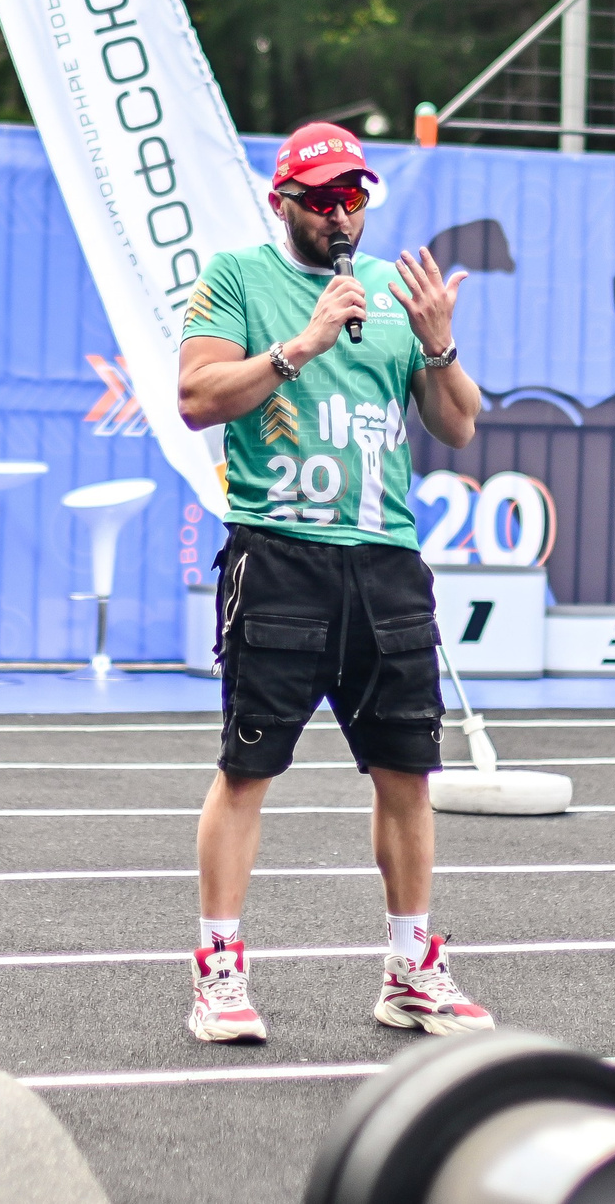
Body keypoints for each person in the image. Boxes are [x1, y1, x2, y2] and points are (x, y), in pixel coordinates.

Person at [176, 120, 490, 1045]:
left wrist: (437, 345)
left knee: (408, 774)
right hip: (280, 551)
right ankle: (220, 973)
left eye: (354, 197)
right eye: (321, 200)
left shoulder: (398, 290)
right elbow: (197, 397)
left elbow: (459, 427)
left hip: (385, 560)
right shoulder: (237, 276)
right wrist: (301, 345)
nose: (341, 214)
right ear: (285, 203)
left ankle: (409, 969)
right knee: (247, 768)